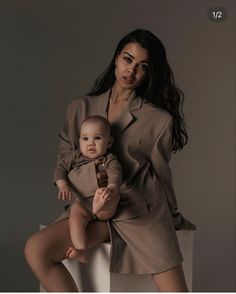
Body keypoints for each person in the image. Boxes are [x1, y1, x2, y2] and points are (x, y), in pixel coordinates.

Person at [24, 28, 196, 292]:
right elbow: (65, 158)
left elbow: (162, 174)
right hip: (90, 209)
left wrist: (173, 215)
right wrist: (71, 184)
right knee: (36, 248)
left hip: (137, 210)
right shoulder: (79, 108)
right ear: (116, 58)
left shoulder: (159, 120)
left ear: (149, 72)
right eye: (128, 60)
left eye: (143, 66)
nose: (132, 71)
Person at [54, 115, 122, 263]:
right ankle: (82, 252)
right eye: (85, 139)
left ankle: (101, 203)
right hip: (83, 203)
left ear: (109, 142)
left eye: (97, 138)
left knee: (112, 196)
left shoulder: (109, 159)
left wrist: (110, 189)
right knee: (75, 219)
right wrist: (63, 185)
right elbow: (60, 168)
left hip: (104, 203)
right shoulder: (76, 157)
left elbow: (115, 177)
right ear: (79, 142)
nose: (90, 143)